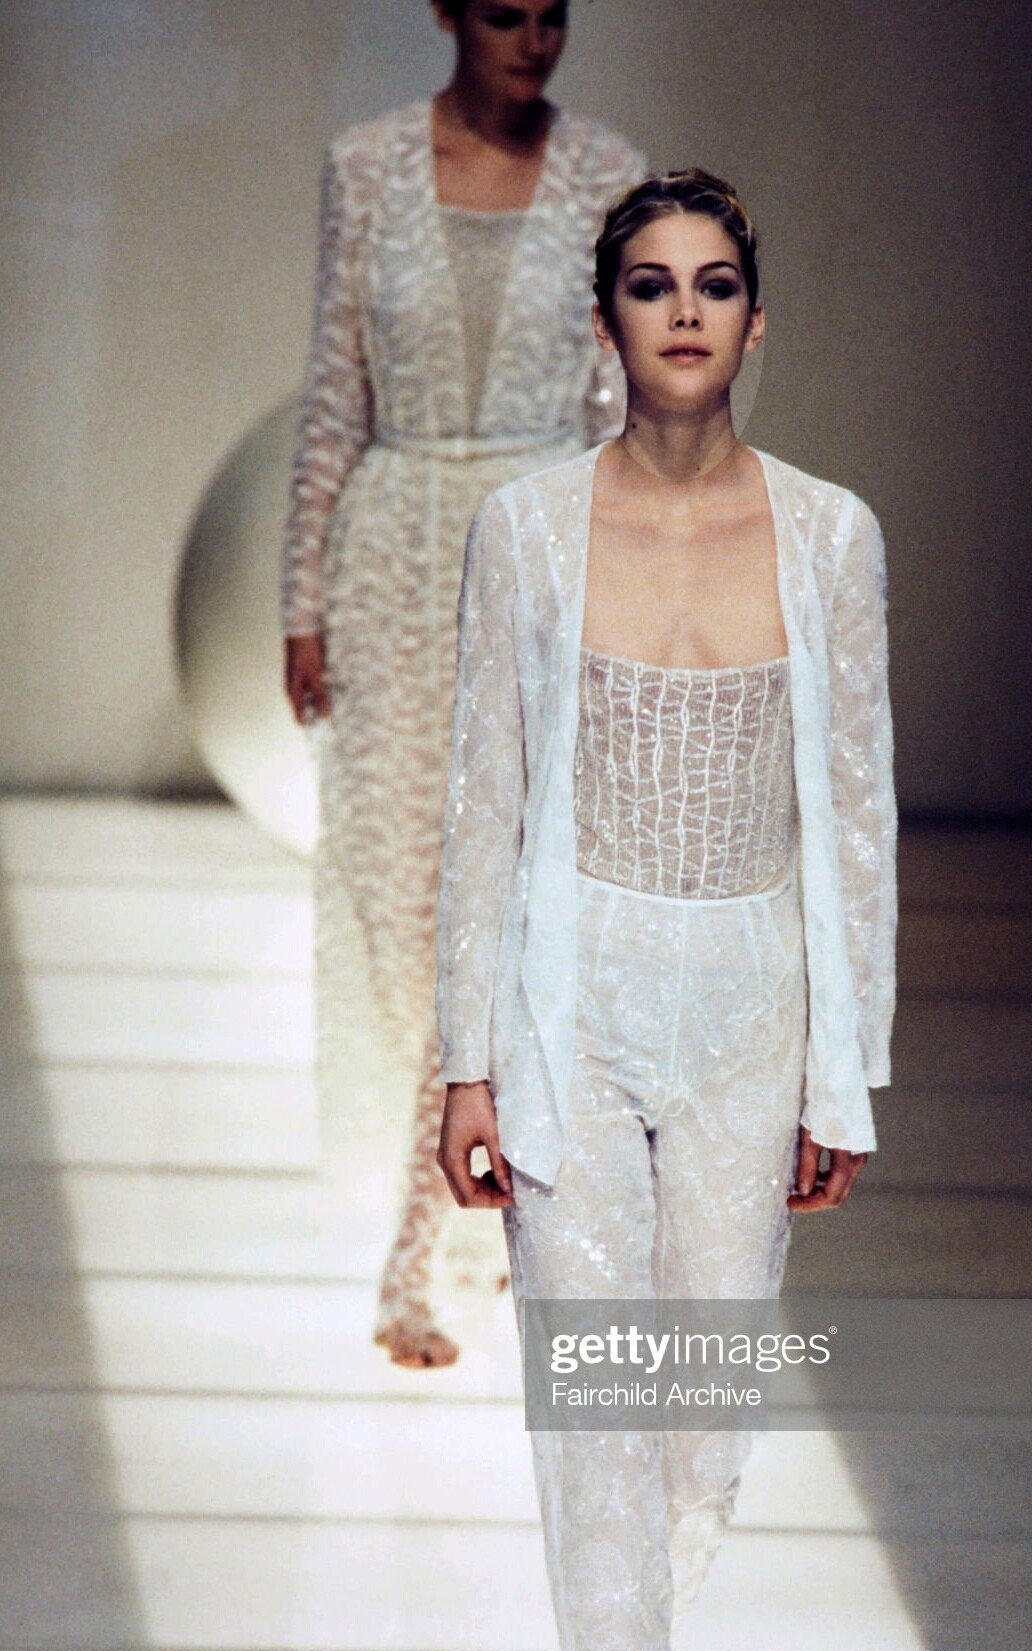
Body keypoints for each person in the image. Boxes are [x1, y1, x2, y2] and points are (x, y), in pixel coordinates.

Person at [436, 169, 896, 1651]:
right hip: (571, 1012)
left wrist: (846, 1073)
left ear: (756, 321)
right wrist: (464, 1065)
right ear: (605, 320)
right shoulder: (528, 531)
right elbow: (485, 801)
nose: (684, 311)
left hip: (750, 1016)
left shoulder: (835, 536)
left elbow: (853, 813)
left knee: (696, 1443)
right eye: (650, 283)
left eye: (713, 284)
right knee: (594, 1433)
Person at [280, 0, 646, 1367]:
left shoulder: (608, 173)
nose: (535, 43)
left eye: (555, 15)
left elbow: (625, 407)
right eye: (505, 14)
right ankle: (475, 1209)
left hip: (538, 568)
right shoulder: (368, 164)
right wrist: (301, 599)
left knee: (498, 915)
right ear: (445, 12)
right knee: (400, 912)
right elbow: (336, 389)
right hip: (391, 566)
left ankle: (419, 1248)